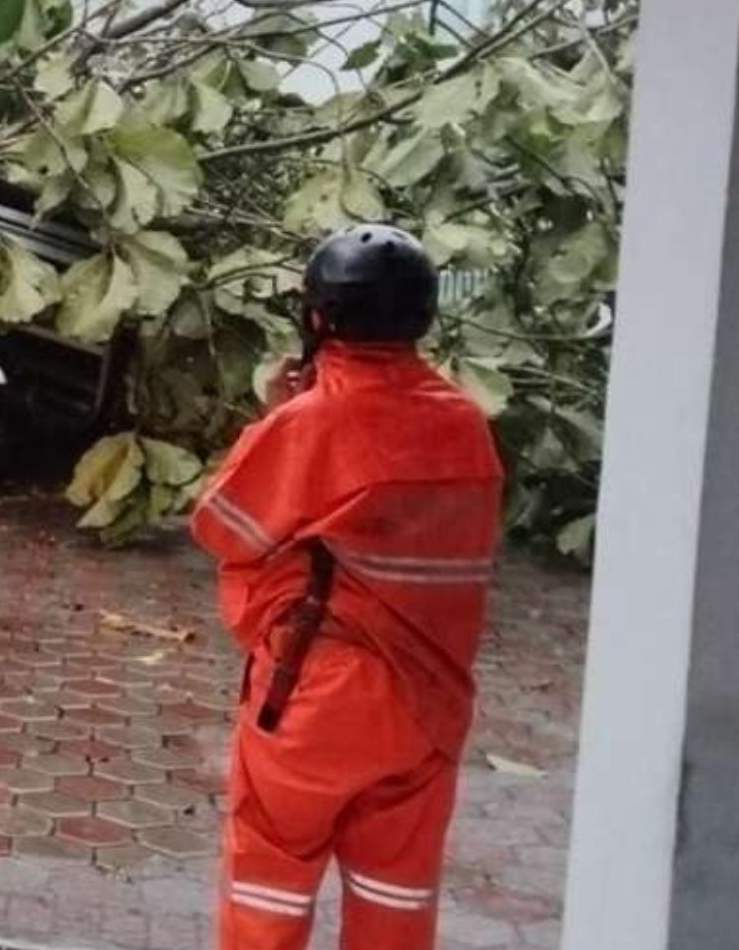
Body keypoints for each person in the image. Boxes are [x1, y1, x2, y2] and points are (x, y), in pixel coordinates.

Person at [190, 224, 506, 950]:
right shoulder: (467, 426)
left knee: (267, 887)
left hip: (318, 701)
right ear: (422, 317)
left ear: (316, 317)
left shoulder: (313, 421)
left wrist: (274, 419)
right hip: (430, 706)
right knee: (397, 903)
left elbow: (222, 528)